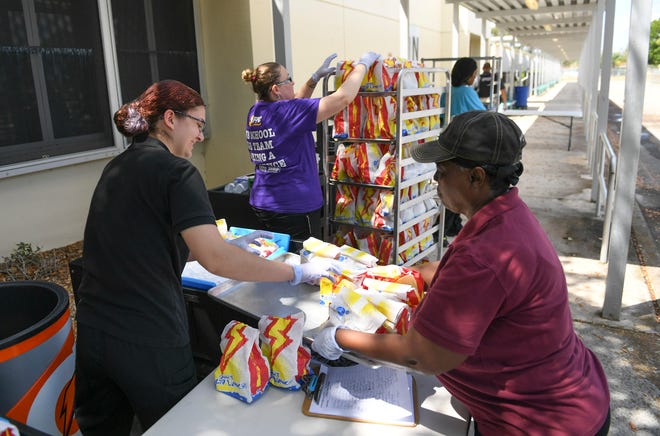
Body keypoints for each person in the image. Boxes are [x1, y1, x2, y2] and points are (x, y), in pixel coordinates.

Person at [312, 111, 611, 435]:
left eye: (442, 172)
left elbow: (420, 357)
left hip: (541, 422)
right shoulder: (506, 216)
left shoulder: (484, 256)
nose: (435, 181)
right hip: (569, 392)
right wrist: (395, 273)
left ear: (476, 177)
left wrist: (340, 337)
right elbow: (451, 271)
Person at [74, 80, 337, 435]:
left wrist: (230, 247)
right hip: (147, 335)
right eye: (198, 124)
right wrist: (296, 272)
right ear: (170, 118)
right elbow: (216, 260)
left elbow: (140, 246)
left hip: (92, 330)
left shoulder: (118, 166)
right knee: (176, 426)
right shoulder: (177, 172)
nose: (200, 135)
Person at [241, 52, 380, 247]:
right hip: (293, 209)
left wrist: (314, 79)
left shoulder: (257, 111)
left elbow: (293, 104)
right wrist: (363, 66)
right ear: (275, 89)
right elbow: (343, 98)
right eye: (288, 79)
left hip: (263, 203)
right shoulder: (288, 112)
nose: (292, 82)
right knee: (299, 263)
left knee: (272, 258)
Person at [441, 57, 486, 238]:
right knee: (463, 188)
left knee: (449, 186)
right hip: (465, 146)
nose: (475, 78)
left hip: (447, 144)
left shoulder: (447, 91)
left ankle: (450, 226)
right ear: (468, 75)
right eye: (474, 74)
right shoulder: (467, 92)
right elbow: (484, 116)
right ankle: (449, 226)